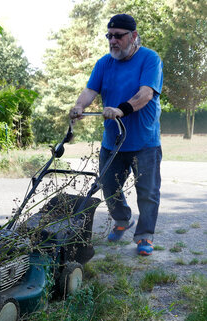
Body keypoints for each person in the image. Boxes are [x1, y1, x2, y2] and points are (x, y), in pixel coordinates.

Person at [69, 14, 163, 256]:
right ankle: (122, 219)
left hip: (144, 141)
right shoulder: (104, 63)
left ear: (133, 36)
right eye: (109, 36)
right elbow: (91, 90)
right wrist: (80, 106)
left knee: (148, 192)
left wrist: (122, 109)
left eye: (118, 36)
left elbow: (146, 94)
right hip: (113, 141)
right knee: (109, 186)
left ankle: (144, 237)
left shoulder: (150, 59)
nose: (113, 41)